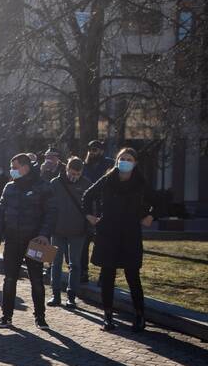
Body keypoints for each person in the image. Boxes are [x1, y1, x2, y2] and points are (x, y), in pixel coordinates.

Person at [83, 148, 155, 332]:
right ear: (116, 160)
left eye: (128, 159)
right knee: (108, 276)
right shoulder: (107, 180)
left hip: (130, 234)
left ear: (135, 162)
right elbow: (87, 195)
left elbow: (156, 201)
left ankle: (139, 316)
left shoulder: (140, 182)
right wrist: (90, 215)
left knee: (133, 277)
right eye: (121, 158)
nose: (124, 161)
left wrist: (150, 216)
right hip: (109, 233)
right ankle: (107, 316)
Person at [0, 153, 56, 329]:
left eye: (15, 167)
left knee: (36, 279)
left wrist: (44, 235)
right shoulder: (9, 187)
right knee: (10, 279)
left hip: (35, 241)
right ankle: (6, 316)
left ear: (26, 167)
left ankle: (40, 317)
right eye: (12, 168)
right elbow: (0, 213)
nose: (12, 171)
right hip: (12, 240)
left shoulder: (43, 186)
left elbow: (51, 213)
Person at [48, 157, 91, 309]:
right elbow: (47, 205)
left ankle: (71, 296)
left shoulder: (87, 184)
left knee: (75, 264)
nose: (74, 177)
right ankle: (55, 295)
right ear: (66, 170)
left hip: (78, 231)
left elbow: (91, 206)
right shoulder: (55, 183)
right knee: (56, 263)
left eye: (77, 174)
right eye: (72, 173)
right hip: (57, 230)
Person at [80, 140, 112, 282]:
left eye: (96, 150)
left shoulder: (109, 164)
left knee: (103, 242)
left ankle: (103, 275)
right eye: (91, 150)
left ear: (102, 151)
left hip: (103, 206)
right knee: (84, 242)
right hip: (87, 207)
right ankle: (83, 271)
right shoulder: (84, 165)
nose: (93, 152)